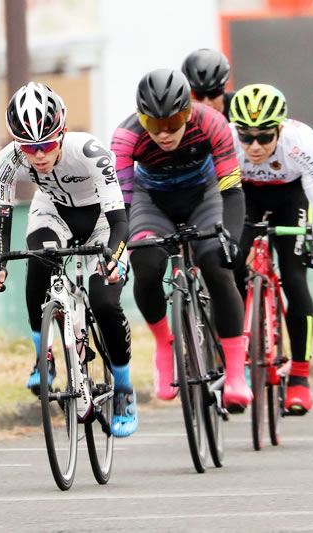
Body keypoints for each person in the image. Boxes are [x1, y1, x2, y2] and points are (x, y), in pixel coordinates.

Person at [0, 82, 137, 437]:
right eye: (29, 147)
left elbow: (120, 221)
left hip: (102, 220)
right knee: (40, 258)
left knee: (103, 300)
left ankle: (125, 388)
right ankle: (44, 357)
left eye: (48, 144)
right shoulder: (7, 161)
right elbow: (1, 223)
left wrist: (112, 258)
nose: (38, 155)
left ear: (62, 132)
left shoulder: (89, 151)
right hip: (52, 212)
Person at [111, 68, 253, 411]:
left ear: (188, 112)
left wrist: (231, 239)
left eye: (174, 123)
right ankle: (164, 345)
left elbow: (232, 191)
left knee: (218, 265)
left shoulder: (213, 123)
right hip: (151, 200)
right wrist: (121, 250)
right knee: (146, 263)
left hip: (204, 197)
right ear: (140, 119)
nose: (164, 133)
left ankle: (235, 372)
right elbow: (121, 205)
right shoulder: (125, 137)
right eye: (154, 124)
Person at [228, 84, 313, 414]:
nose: (254, 146)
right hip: (244, 196)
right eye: (246, 136)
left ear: (280, 128)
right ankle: (238, 363)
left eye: (264, 137)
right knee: (230, 264)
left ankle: (300, 378)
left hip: (290, 197)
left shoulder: (300, 142)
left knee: (294, 277)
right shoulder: (228, 143)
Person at [181, 48, 235, 120]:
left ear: (225, 85)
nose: (206, 103)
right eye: (198, 95)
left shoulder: (240, 108)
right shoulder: (180, 117)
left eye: (213, 93)